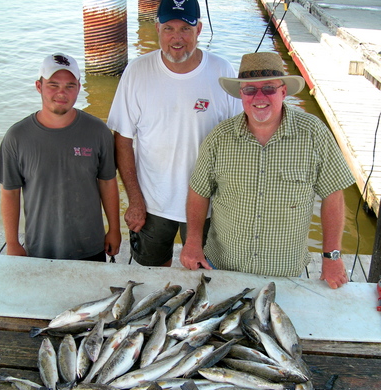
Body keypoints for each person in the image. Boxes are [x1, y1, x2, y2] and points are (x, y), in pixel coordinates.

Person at [180, 52, 356, 289]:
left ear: (283, 92)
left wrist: (332, 256)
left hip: (285, 273)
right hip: (222, 267)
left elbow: (333, 195)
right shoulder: (219, 137)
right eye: (250, 89)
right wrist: (192, 242)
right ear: (241, 94)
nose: (259, 97)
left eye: (269, 88)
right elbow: (198, 191)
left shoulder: (314, 133)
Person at [107, 0, 242, 267]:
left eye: (185, 29)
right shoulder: (136, 71)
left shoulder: (223, 71)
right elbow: (122, 139)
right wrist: (135, 199)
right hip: (152, 203)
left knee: (205, 276)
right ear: (157, 28)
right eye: (169, 28)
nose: (176, 38)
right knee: (152, 275)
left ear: (199, 30)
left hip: (209, 204)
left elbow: (238, 139)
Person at [0, 53, 121, 261]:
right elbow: (10, 193)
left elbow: (107, 182)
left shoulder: (99, 131)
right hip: (40, 248)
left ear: (79, 88)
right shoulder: (16, 137)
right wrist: (13, 243)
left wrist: (114, 229)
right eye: (53, 85)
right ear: (39, 86)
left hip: (90, 246)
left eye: (70, 86)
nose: (62, 92)